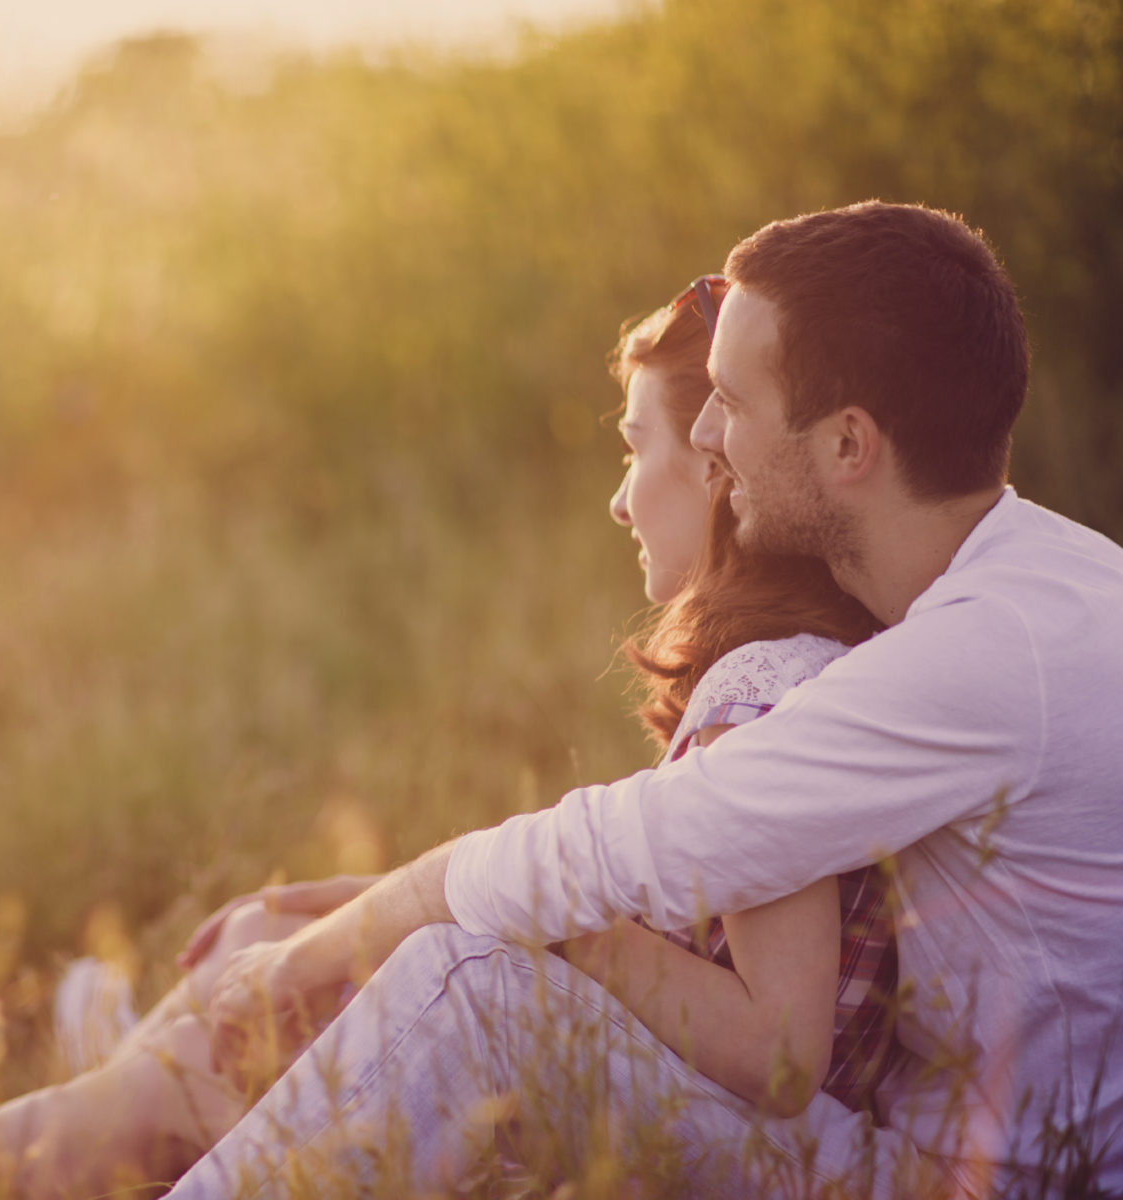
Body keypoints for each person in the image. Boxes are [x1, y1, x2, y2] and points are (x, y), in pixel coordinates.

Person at [0, 269, 907, 1196]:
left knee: (246, 1043)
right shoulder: (767, 677)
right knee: (268, 948)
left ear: (720, 464)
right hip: (642, 1091)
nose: (619, 500)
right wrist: (366, 910)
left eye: (636, 448)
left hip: (736, 1147)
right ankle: (15, 1141)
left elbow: (778, 1051)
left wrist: (538, 920)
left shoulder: (768, 694)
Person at [169, 201, 1123, 1199]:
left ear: (849, 446)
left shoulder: (972, 660)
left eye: (733, 404)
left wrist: (309, 962)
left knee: (474, 990)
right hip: (934, 1153)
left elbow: (622, 848)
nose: (711, 438)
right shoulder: (1054, 584)